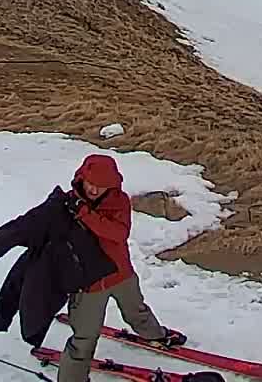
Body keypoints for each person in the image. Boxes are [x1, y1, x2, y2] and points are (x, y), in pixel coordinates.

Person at [55, 153, 184, 382]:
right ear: (81, 179)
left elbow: (118, 233)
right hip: (89, 284)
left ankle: (155, 335)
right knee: (83, 340)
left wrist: (84, 213)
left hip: (120, 273)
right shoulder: (66, 204)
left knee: (137, 311)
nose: (94, 190)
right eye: (91, 184)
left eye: (101, 186)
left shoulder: (119, 201)